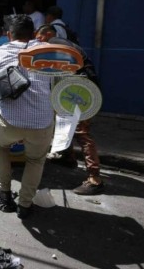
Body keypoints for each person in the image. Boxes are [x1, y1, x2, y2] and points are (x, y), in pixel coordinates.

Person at [0, 15, 54, 219]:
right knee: (35, 160)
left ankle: (5, 193)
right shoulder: (47, 52)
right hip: (42, 122)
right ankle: (25, 205)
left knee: (0, 148)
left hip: (8, 122)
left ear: (9, 35)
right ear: (34, 34)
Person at [36, 24, 104, 195]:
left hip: (79, 90)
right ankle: (68, 157)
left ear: (48, 34)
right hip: (75, 88)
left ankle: (95, 179)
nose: (38, 42)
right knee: (64, 122)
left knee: (82, 132)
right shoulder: (63, 44)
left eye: (39, 37)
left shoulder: (55, 43)